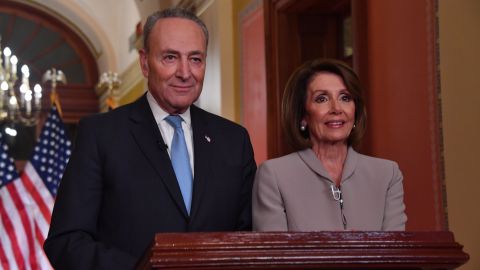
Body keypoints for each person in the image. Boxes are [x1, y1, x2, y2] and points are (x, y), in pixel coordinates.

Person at [44, 8, 256, 269]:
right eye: (170, 57)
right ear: (145, 63)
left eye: (196, 59)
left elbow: (249, 241)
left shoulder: (234, 141)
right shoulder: (100, 135)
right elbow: (66, 242)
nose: (185, 72)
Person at [252, 58, 407, 232]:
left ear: (355, 111)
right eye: (322, 99)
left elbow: (393, 255)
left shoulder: (387, 174)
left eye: (345, 97)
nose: (336, 108)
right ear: (303, 115)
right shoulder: (274, 176)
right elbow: (276, 256)